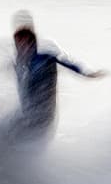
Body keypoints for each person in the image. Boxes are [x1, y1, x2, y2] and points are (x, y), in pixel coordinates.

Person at [6, 10, 105, 143]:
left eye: (24, 44)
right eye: (18, 45)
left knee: (16, 135)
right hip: (28, 113)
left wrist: (86, 72)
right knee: (3, 130)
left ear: (32, 43)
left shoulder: (44, 58)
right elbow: (22, 90)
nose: (21, 48)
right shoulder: (19, 63)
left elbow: (67, 62)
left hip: (44, 116)